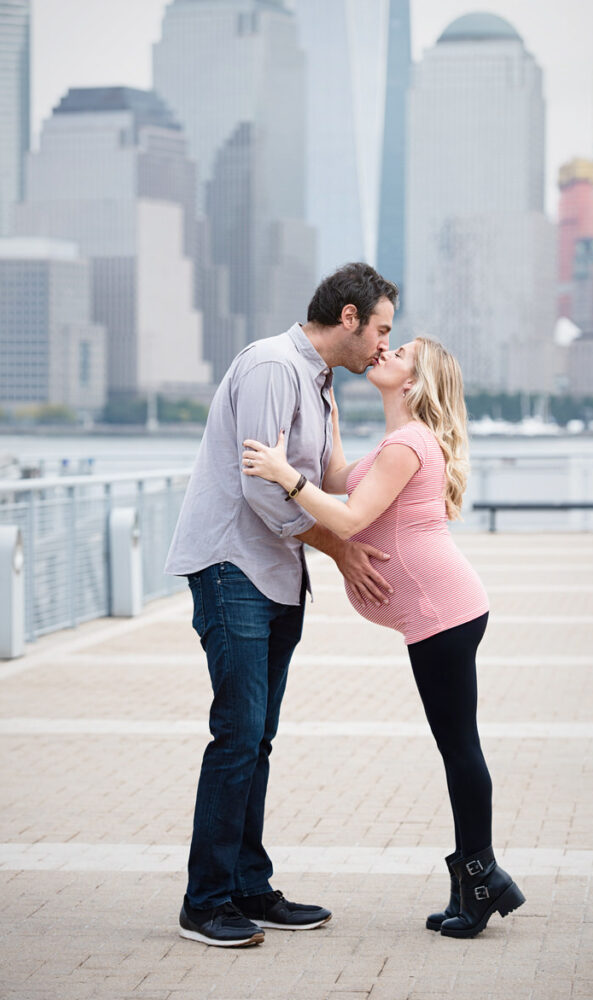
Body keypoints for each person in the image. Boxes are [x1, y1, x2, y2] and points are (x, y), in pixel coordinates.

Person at [242, 335, 526, 939]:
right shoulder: (398, 443)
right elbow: (344, 478)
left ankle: (482, 878)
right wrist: (332, 424)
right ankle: (472, 879)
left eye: (402, 352)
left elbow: (346, 518)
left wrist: (282, 474)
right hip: (441, 612)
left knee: (459, 746)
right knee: (457, 744)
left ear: (415, 381)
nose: (385, 351)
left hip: (443, 612)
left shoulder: (410, 444)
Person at [165, 262, 398, 947]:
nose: (385, 344)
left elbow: (329, 478)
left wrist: (405, 430)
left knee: (257, 738)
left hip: (275, 573)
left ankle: (248, 886)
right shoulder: (272, 365)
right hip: (232, 565)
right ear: (349, 317)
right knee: (237, 734)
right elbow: (264, 488)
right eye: (381, 329)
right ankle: (204, 902)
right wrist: (339, 546)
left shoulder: (320, 380)